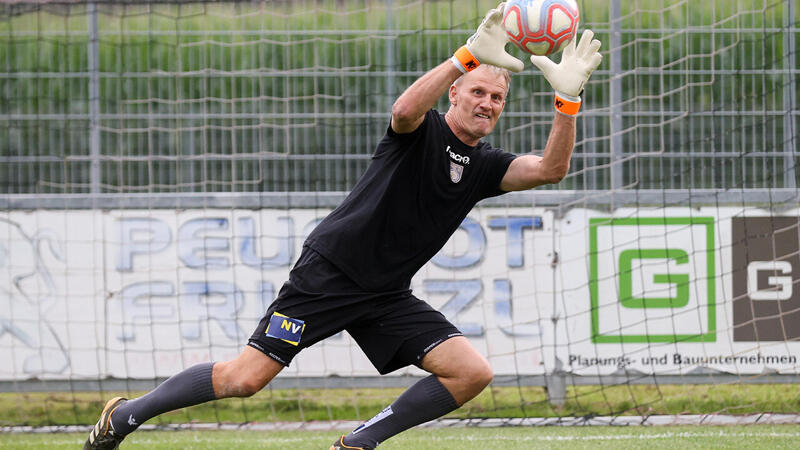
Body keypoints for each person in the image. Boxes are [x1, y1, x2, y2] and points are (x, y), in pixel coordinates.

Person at [83, 3, 602, 449]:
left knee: (471, 373)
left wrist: (568, 101)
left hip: (385, 294)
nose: (487, 103)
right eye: (478, 92)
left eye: (497, 98)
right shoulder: (421, 130)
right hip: (329, 274)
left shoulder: (486, 165)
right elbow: (403, 109)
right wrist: (463, 57)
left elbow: (550, 170)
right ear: (455, 95)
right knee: (244, 380)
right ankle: (126, 414)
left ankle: (357, 442)